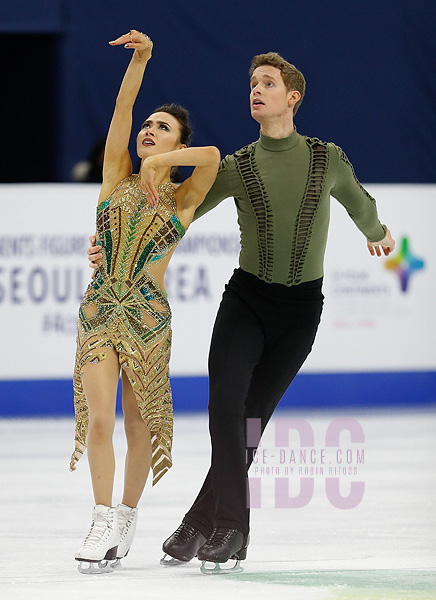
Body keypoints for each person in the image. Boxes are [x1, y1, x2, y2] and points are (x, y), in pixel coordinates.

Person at [88, 51, 395, 574]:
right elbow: (171, 215)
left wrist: (379, 234)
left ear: (292, 97)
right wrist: (111, 241)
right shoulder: (238, 166)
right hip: (246, 301)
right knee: (225, 409)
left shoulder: (326, 159)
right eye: (252, 83)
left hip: (299, 313)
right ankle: (234, 528)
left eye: (268, 84)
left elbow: (359, 202)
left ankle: (198, 521)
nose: (256, 90)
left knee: (251, 422)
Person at [71, 29, 220, 574]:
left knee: (139, 427)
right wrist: (142, 59)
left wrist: (164, 164)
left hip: (149, 319)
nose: (149, 131)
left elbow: (212, 157)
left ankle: (128, 517)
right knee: (100, 423)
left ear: (176, 141)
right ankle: (101, 516)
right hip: (101, 312)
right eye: (149, 127)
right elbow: (122, 109)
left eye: (164, 127)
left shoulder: (183, 200)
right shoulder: (114, 178)